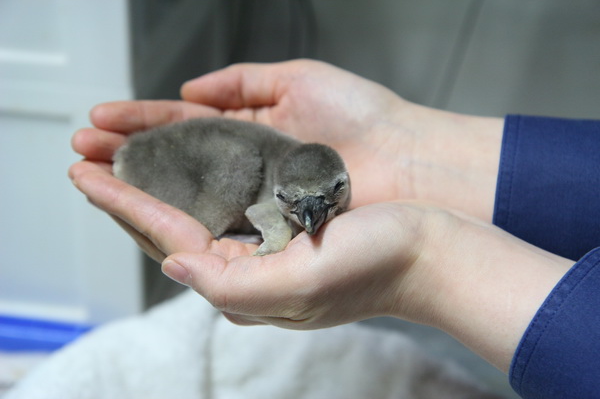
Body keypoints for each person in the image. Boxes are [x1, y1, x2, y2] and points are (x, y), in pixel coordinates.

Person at [69, 59, 600, 399]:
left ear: (342, 184)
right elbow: (263, 213)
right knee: (231, 170)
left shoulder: (289, 173)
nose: (314, 219)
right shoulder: (260, 175)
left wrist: (423, 262)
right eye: (294, 205)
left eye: (328, 201)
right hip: (192, 165)